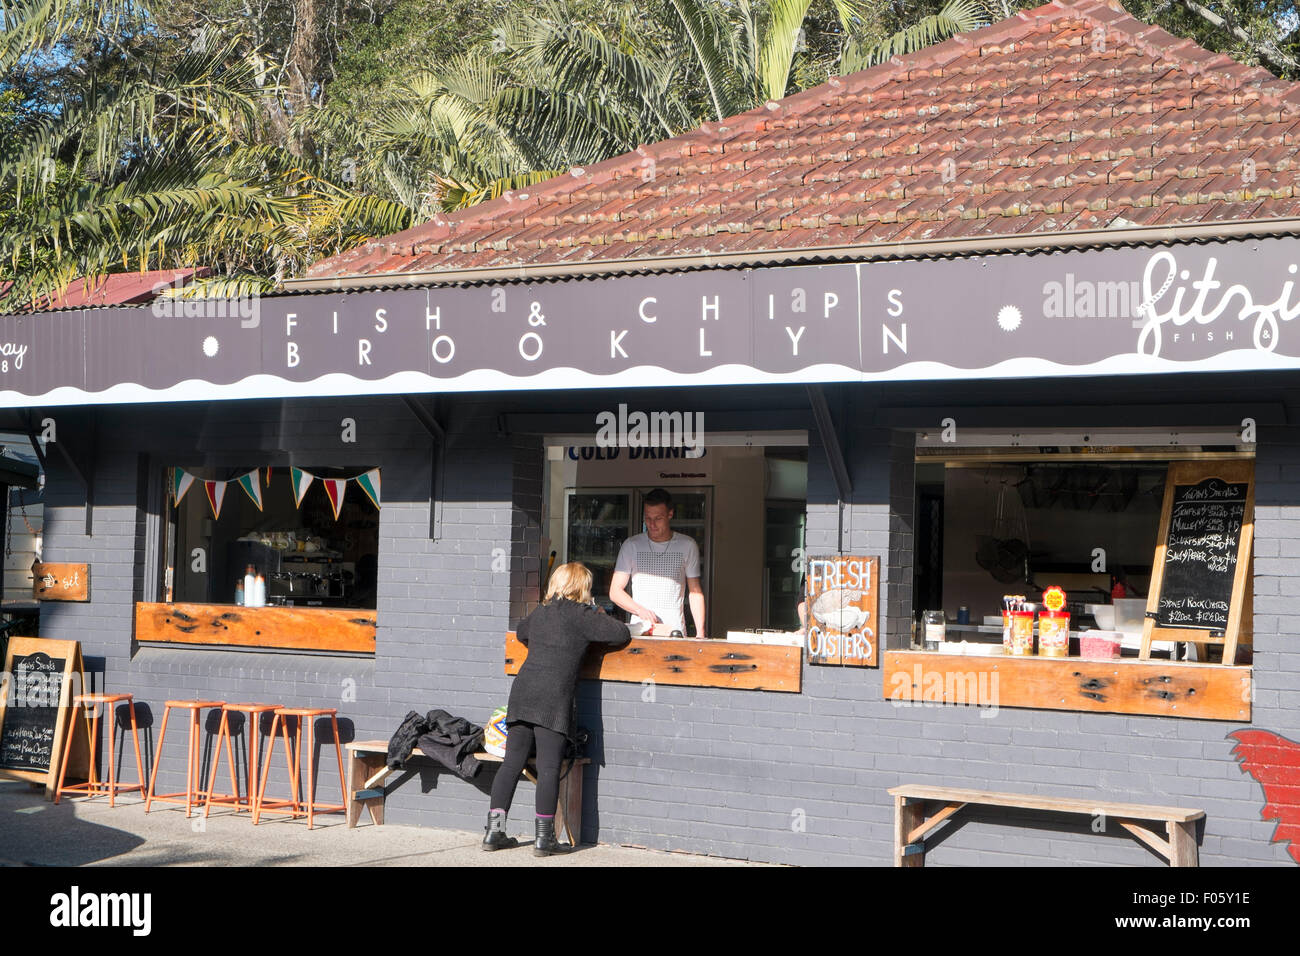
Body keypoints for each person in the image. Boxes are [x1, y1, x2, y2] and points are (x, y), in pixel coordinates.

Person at [483, 562, 630, 855]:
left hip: (523, 692)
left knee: (512, 763)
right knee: (549, 767)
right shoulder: (583, 615)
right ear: (582, 587)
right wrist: (597, 614)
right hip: (553, 697)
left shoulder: (542, 612)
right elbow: (621, 634)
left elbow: (522, 633)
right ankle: (544, 839)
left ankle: (493, 833)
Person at [608, 488, 706, 638]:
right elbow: (615, 591)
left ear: (670, 514)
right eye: (648, 518)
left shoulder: (687, 545)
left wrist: (700, 633)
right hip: (641, 632)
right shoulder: (631, 545)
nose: (652, 524)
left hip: (675, 632)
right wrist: (639, 610)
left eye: (658, 518)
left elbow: (695, 592)